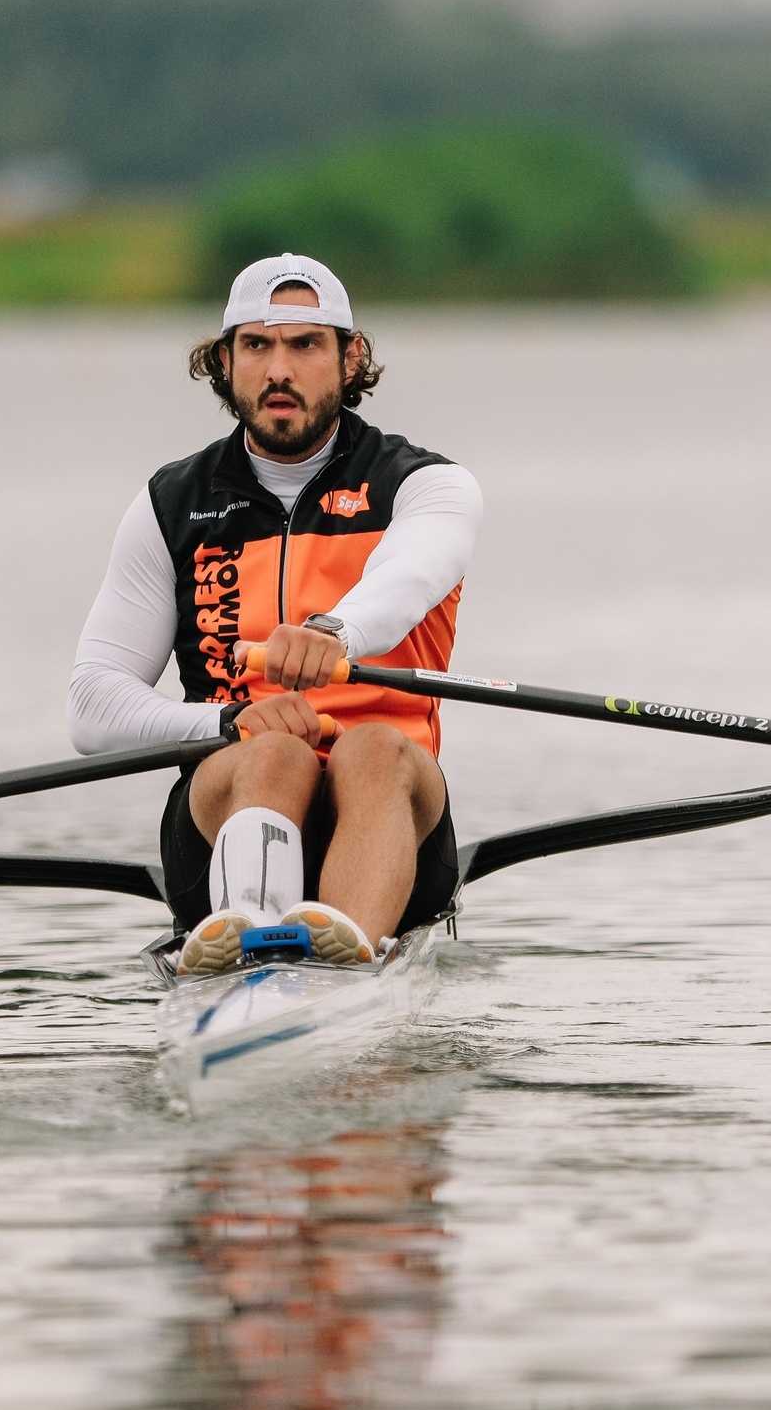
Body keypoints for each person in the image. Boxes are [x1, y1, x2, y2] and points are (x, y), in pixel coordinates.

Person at [69, 253, 481, 975]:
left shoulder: (426, 486)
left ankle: (341, 962)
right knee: (273, 752)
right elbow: (93, 707)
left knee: (372, 746)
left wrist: (334, 633)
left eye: (305, 344)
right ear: (224, 362)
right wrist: (228, 721)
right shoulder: (171, 505)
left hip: (393, 814)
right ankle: (253, 955)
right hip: (228, 806)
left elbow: (406, 577)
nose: (278, 369)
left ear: (350, 360)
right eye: (256, 345)